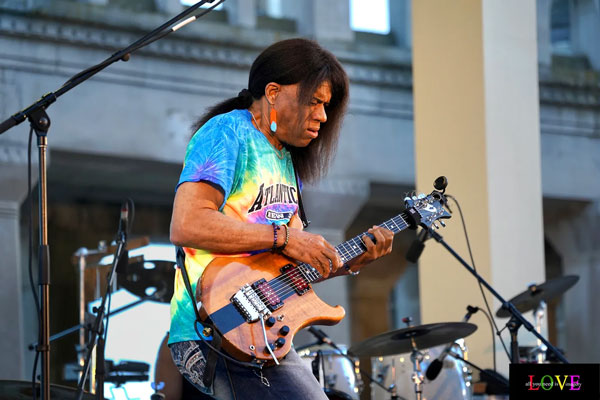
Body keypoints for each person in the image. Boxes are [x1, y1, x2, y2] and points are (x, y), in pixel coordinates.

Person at [168, 38, 394, 399]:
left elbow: (292, 263)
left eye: (327, 106)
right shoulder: (227, 133)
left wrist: (350, 261)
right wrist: (286, 238)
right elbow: (187, 223)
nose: (323, 115)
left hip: (261, 330)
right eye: (315, 102)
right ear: (273, 92)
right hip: (213, 326)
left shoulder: (286, 162)